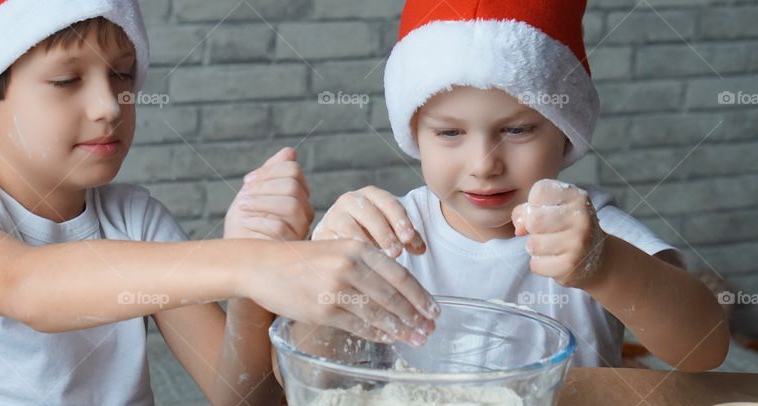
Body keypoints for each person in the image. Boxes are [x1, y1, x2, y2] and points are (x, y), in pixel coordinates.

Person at [0, 0, 439, 406]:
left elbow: (242, 402)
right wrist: (248, 263)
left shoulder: (136, 218)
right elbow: (26, 287)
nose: (109, 105)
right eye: (67, 81)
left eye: (123, 74)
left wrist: (254, 280)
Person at [312, 0, 728, 371]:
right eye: (450, 133)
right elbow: (314, 371)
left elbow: (705, 349)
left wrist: (606, 266)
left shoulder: (590, 229)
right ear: (415, 136)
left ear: (566, 132)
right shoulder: (390, 233)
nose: (484, 164)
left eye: (517, 129)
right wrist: (325, 271)